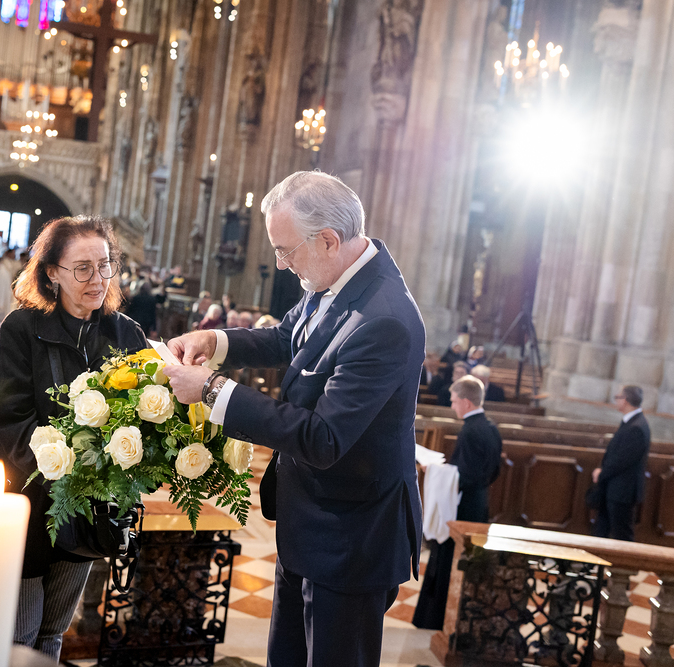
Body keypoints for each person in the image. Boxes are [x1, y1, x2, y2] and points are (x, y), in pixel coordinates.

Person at [164, 171, 424, 667]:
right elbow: (289, 337)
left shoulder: (385, 318)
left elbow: (323, 438)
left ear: (328, 240)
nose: (281, 264)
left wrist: (214, 390)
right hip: (309, 520)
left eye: (285, 251)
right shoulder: (336, 276)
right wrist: (215, 341)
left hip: (351, 536)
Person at [0, 216, 148, 661]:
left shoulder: (125, 333)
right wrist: (67, 473)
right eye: (83, 268)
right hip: (25, 498)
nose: (97, 279)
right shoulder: (21, 328)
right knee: (20, 633)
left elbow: (144, 420)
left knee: (54, 631)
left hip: (88, 508)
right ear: (52, 273)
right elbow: (10, 420)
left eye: (105, 265)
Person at [412, 376, 502, 630]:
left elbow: (467, 477)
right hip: (478, 503)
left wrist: (433, 470)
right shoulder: (490, 427)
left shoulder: (471, 430)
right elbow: (492, 471)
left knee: (452, 559)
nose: (452, 406)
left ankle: (440, 618)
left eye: (453, 401)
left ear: (465, 402)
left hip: (463, 507)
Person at [592, 385, 651, 541]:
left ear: (625, 400)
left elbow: (622, 460)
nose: (616, 401)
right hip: (615, 488)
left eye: (617, 397)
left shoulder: (636, 427)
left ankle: (622, 560)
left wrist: (601, 473)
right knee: (601, 531)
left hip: (623, 492)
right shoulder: (631, 422)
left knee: (622, 535)